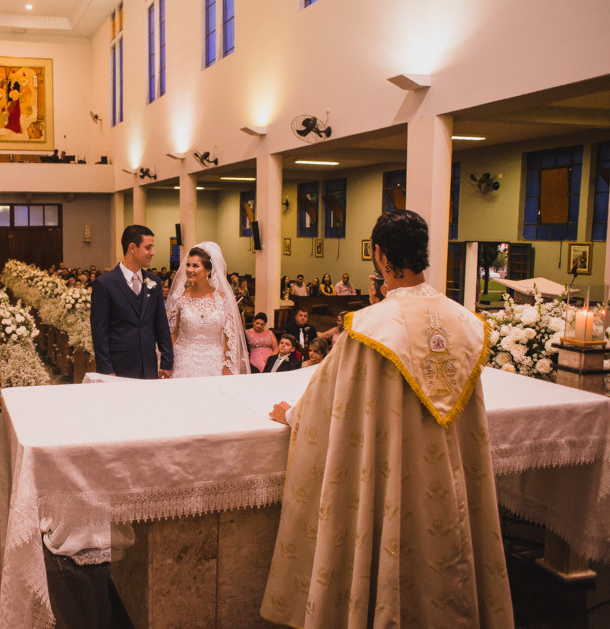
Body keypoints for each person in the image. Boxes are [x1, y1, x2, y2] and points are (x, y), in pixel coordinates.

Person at [261, 209, 513, 627]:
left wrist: (293, 416)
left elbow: (330, 403)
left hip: (390, 473)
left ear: (379, 256)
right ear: (424, 254)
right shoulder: (465, 323)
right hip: (447, 483)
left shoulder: (370, 327)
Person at [90, 225, 174, 379]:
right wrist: (106, 369)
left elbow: (161, 324)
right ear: (132, 248)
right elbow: (99, 332)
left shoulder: (154, 282)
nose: (152, 253)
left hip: (149, 365)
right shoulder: (104, 284)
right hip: (118, 366)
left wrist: (167, 362)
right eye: (148, 248)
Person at [166, 243, 249, 378]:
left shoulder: (223, 299)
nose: (189, 269)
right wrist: (168, 363)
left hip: (214, 362)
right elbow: (172, 333)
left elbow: (231, 338)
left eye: (195, 266)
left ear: (208, 270)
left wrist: (227, 367)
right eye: (188, 265)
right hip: (183, 361)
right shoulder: (179, 297)